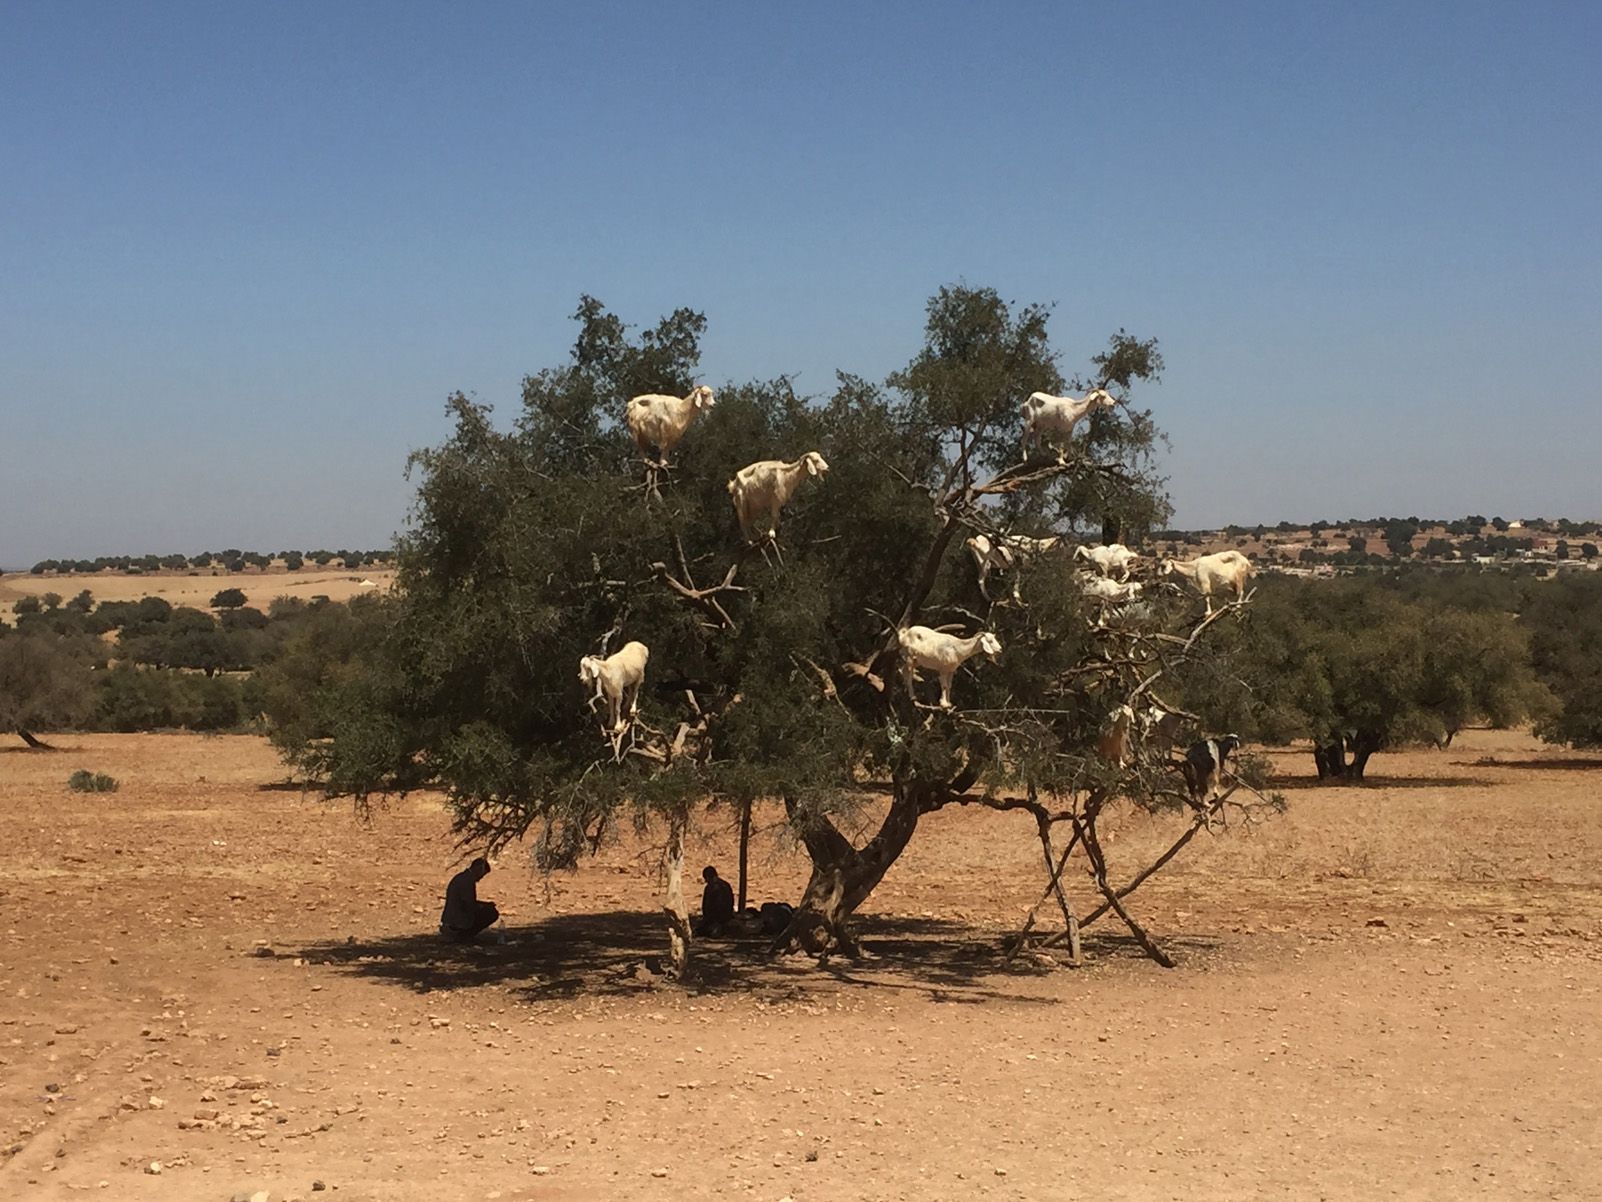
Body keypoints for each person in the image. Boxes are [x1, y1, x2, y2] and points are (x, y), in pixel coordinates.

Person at [439, 856, 499, 942]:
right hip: (456, 921)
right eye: (482, 875)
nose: (480, 878)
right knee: (491, 913)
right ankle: (464, 935)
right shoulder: (467, 881)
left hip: (450, 918)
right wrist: (483, 907)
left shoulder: (462, 877)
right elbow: (469, 904)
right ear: (478, 869)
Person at [696, 865, 735, 937]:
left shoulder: (710, 888)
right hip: (727, 916)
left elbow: (706, 906)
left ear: (707, 877)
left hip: (716, 918)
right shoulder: (726, 885)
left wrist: (708, 919)